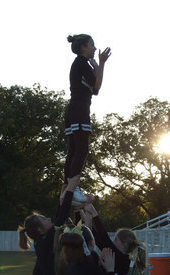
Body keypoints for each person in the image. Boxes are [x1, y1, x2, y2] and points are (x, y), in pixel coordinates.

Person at [64, 34, 111, 205]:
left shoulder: (83, 65)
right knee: (81, 150)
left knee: (73, 150)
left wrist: (97, 65)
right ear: (83, 47)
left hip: (73, 110)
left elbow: (95, 90)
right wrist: (102, 63)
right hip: (79, 110)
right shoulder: (81, 63)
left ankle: (66, 189)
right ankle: (72, 187)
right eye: (92, 45)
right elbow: (97, 85)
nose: (94, 48)